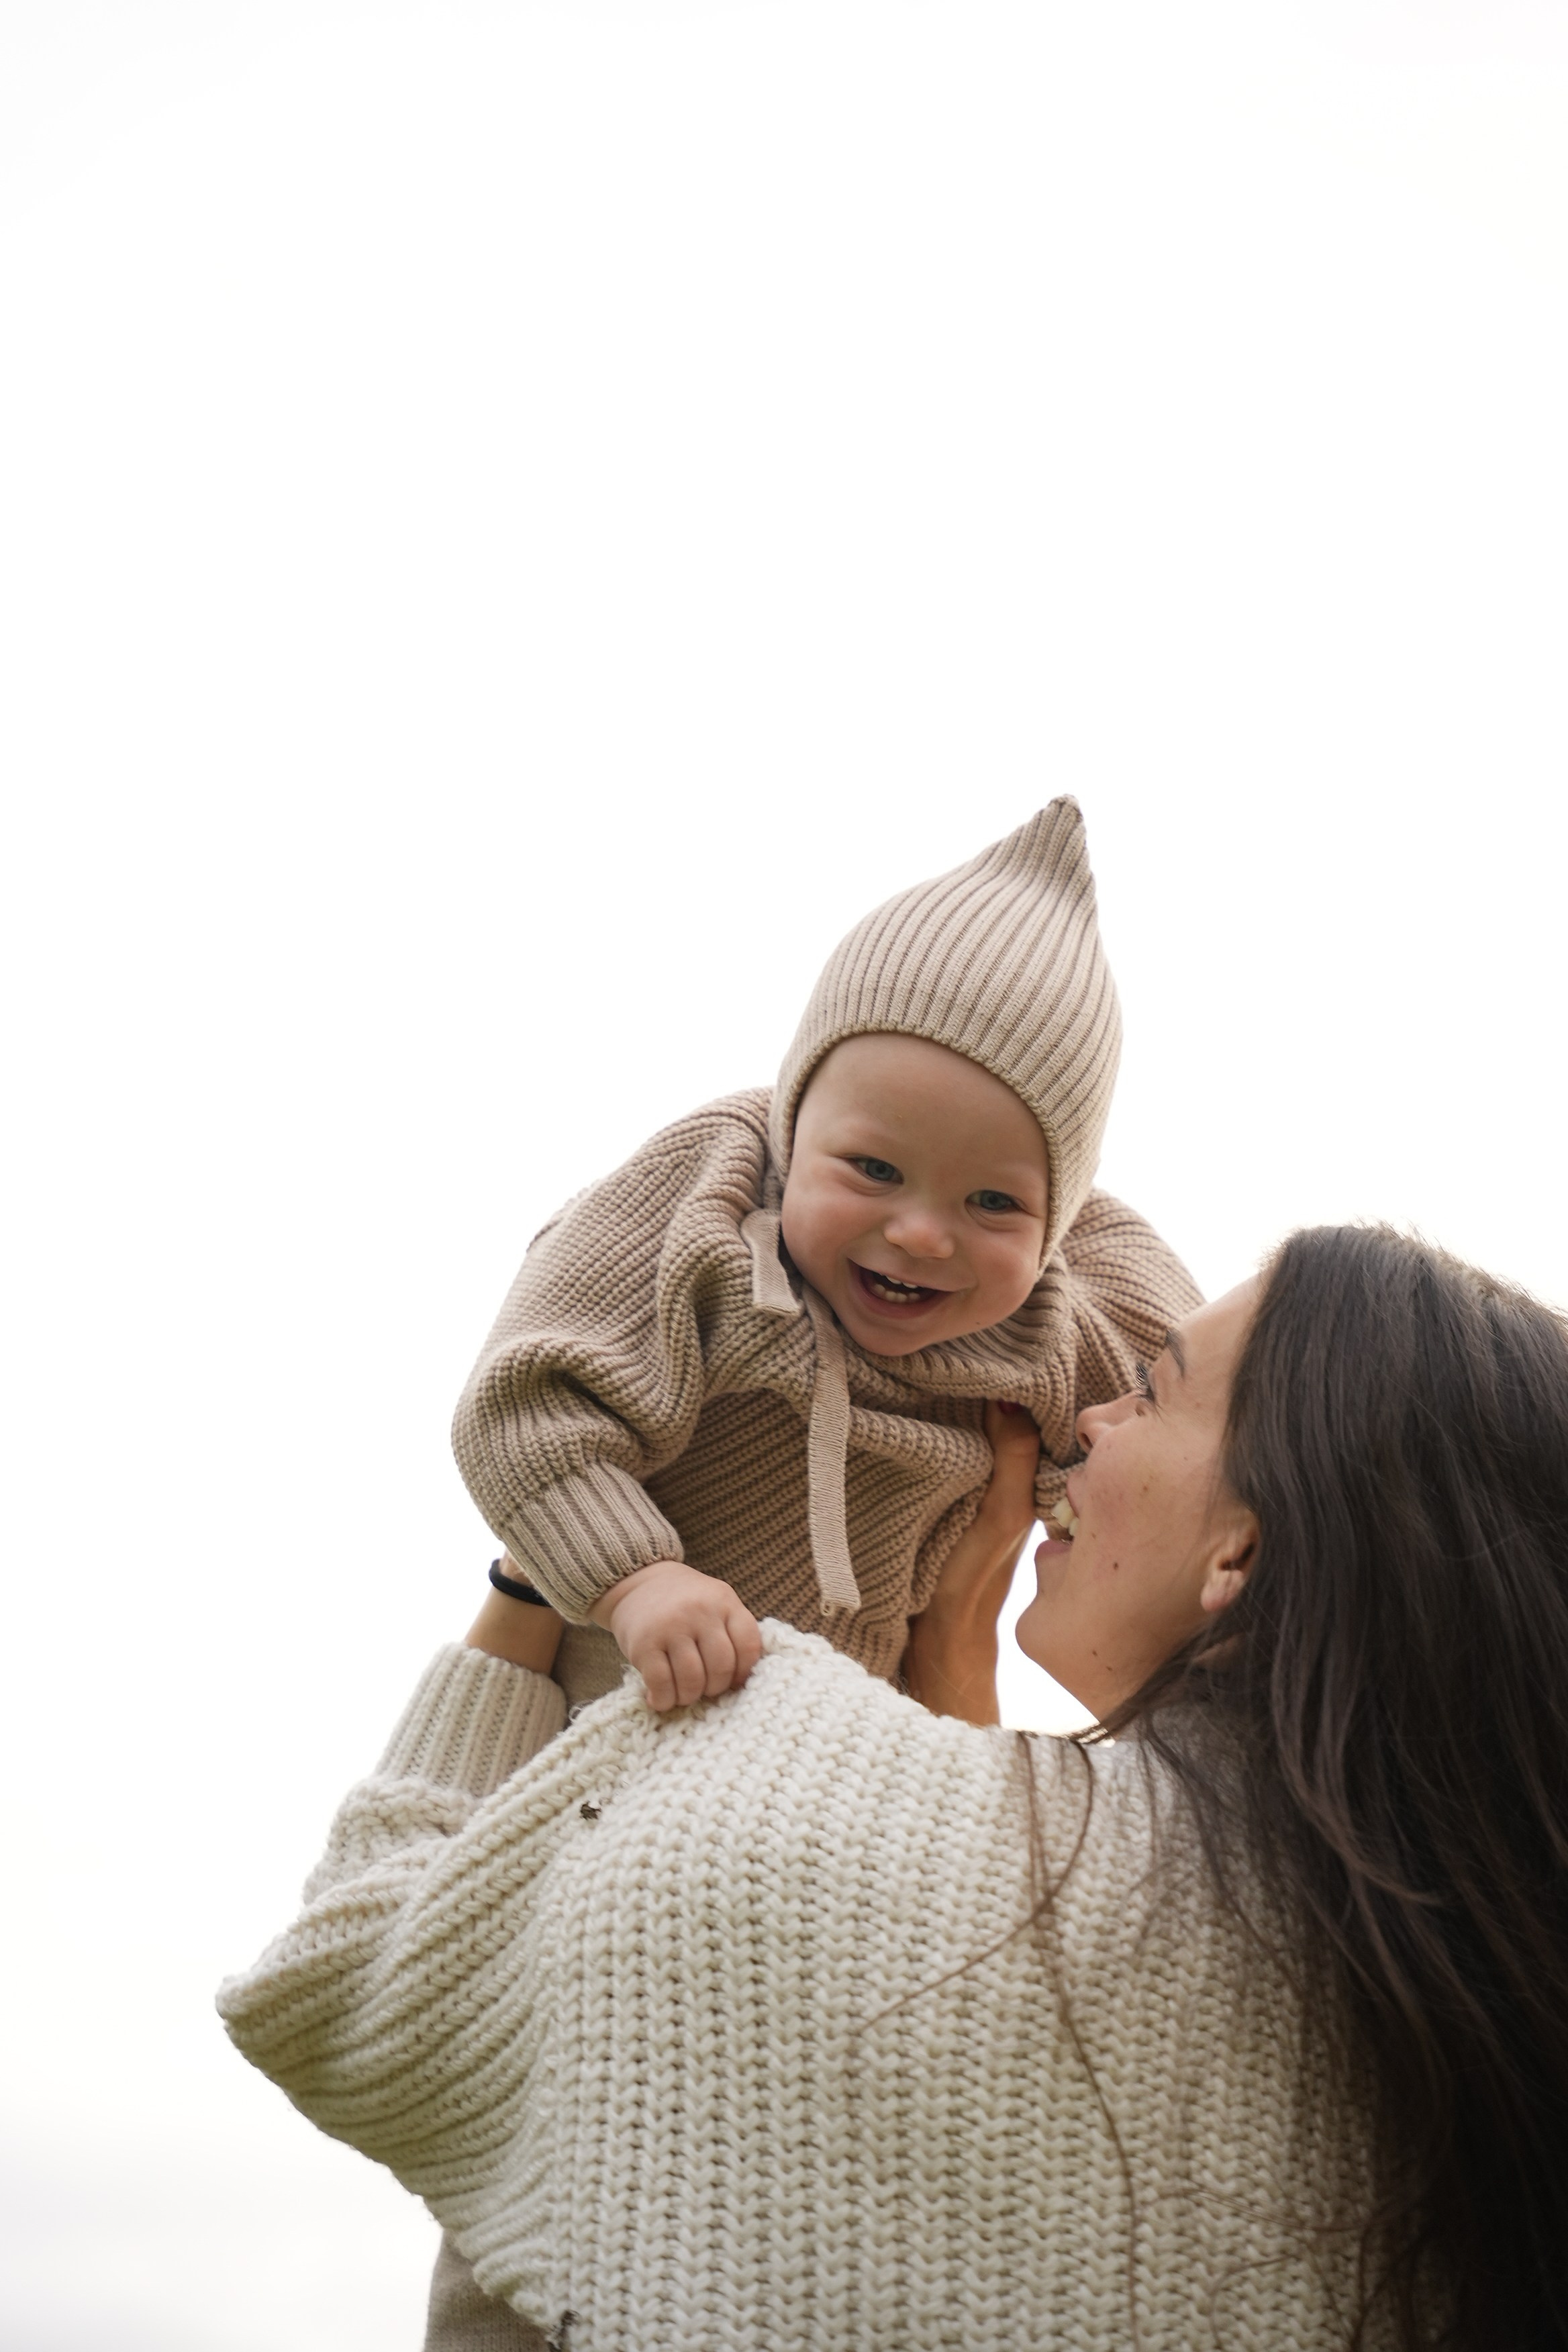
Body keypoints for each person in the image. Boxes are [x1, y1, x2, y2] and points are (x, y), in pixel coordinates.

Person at [219, 1226, 1568, 2349]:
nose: (1088, 1421)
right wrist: (952, 1668)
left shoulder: (765, 1774)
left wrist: (543, 1569)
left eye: (1150, 1394)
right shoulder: (1468, 2053)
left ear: (1244, 1553)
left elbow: (343, 1980)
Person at [452, 797, 1199, 1716]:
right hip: (604, 1714)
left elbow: (1196, 1441)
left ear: (1059, 1227)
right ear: (791, 1129)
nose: (922, 1235)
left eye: (994, 1203)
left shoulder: (1047, 1330)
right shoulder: (715, 1208)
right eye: (874, 1169)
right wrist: (634, 1581)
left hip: (842, 1751)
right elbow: (528, 1401)